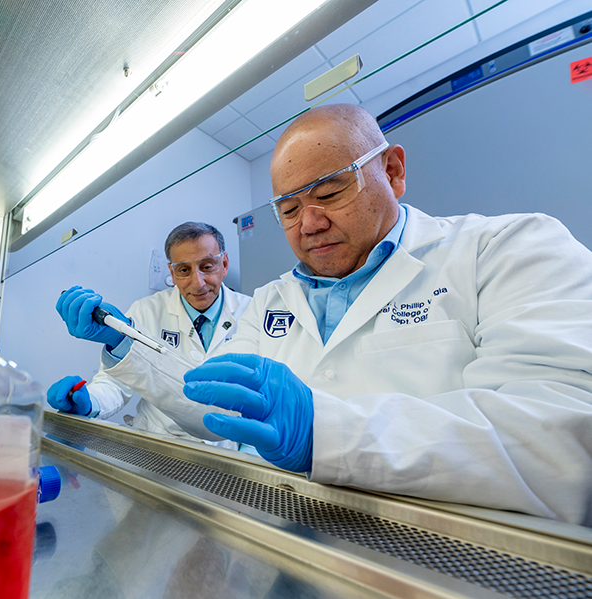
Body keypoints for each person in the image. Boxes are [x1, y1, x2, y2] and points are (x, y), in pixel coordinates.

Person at [115, 104, 592, 525]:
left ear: (393, 169)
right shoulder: (269, 302)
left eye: (329, 193)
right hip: (287, 541)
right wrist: (123, 349)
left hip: (444, 559)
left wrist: (324, 431)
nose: (310, 223)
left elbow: (559, 438)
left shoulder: (510, 249)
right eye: (289, 209)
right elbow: (217, 407)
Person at [49, 222, 251, 447]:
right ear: (172, 273)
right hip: (160, 447)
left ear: (223, 264)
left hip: (229, 451)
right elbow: (116, 384)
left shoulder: (253, 313)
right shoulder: (146, 311)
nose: (198, 282)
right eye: (184, 270)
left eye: (207, 266)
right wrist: (91, 403)